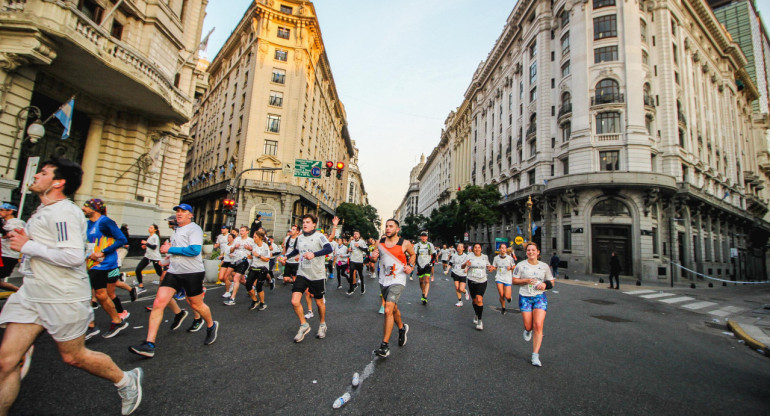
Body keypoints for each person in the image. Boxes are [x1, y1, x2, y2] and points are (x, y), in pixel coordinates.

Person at [0, 157, 142, 415]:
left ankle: (125, 380)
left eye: (42, 173)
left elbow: (73, 256)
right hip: (33, 292)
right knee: (6, 362)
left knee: (74, 356)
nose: (35, 176)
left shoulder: (65, 212)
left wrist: (27, 245)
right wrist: (24, 238)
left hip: (62, 294)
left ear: (58, 182)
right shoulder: (45, 210)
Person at [129, 204, 219, 358]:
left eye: (183, 211)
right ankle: (149, 344)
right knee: (158, 303)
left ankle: (211, 325)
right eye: (177, 211)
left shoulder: (194, 229)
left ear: (190, 215)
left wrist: (169, 249)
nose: (179, 214)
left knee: (196, 304)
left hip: (192, 273)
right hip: (174, 272)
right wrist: (166, 260)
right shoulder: (177, 231)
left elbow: (194, 251)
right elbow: (175, 251)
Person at [279, 214, 334, 342]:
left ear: (314, 224)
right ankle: (304, 325)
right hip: (302, 272)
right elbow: (296, 250)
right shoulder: (300, 237)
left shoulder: (319, 236)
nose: (305, 224)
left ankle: (322, 324)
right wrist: (287, 257)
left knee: (319, 302)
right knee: (294, 301)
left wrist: (314, 254)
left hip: (317, 274)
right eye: (303, 222)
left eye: (308, 222)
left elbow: (328, 248)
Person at [81, 199, 131, 339]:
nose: (83, 209)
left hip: (103, 264)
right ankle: (116, 321)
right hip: (91, 263)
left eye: (86, 206)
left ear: (95, 209)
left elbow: (122, 239)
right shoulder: (87, 224)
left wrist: (103, 251)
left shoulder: (105, 222)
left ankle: (91, 326)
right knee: (101, 295)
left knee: (88, 293)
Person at [370, 219, 414, 357]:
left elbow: (413, 255)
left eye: (391, 226)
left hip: (398, 279)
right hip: (384, 280)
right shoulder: (380, 243)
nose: (388, 229)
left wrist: (410, 267)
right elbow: (373, 260)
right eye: (386, 226)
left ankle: (385, 346)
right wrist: (372, 257)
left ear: (397, 229)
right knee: (393, 308)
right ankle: (401, 328)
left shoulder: (405, 243)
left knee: (388, 309)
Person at [512, 242, 555, 367]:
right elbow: (514, 281)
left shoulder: (544, 266)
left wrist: (545, 284)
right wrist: (525, 280)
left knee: (538, 325)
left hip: (539, 297)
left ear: (538, 252)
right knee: (528, 325)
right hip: (525, 297)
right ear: (526, 253)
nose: (531, 252)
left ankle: (535, 355)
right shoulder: (520, 265)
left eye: (533, 250)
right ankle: (527, 330)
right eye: (529, 250)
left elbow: (552, 281)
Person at [463, 243, 493, 330]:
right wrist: (465, 264)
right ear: (473, 249)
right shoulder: (469, 256)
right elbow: (463, 266)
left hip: (482, 280)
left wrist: (490, 268)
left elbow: (488, 266)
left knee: (479, 299)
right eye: (475, 247)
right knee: (474, 300)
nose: (477, 249)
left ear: (481, 249)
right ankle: (476, 314)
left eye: (478, 247)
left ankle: (480, 321)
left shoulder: (485, 257)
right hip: (472, 280)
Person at [223, 226, 254, 306]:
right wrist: (234, 248)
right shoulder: (237, 239)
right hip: (234, 260)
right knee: (226, 276)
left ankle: (232, 298)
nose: (241, 232)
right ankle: (250, 287)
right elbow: (231, 250)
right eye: (240, 231)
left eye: (243, 231)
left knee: (236, 278)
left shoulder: (250, 240)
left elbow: (255, 252)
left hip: (243, 261)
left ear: (247, 231)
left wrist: (250, 249)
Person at [0, 203, 24, 292]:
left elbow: (7, 235)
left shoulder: (17, 223)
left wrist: (5, 232)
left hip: (9, 255)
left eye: (2, 210)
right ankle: (20, 292)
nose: (0, 212)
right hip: (2, 254)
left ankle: (21, 292)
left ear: (10, 211)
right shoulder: (4, 222)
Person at [246, 229, 271, 310]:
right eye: (253, 236)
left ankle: (262, 303)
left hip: (263, 268)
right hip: (254, 267)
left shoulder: (265, 246)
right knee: (248, 285)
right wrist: (251, 257)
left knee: (258, 286)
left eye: (255, 237)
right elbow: (254, 255)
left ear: (260, 237)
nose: (254, 238)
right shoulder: (254, 245)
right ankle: (255, 300)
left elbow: (267, 259)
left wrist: (258, 256)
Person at [134, 224, 163, 295]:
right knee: (138, 269)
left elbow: (154, 247)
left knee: (160, 273)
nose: (149, 228)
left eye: (151, 228)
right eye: (149, 227)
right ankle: (141, 286)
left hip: (155, 257)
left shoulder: (155, 237)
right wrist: (145, 246)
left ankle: (169, 285)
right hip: (148, 257)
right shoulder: (150, 236)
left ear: (155, 230)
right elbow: (150, 246)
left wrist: (146, 243)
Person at [491, 244, 515, 315]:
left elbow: (514, 266)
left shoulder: (509, 258)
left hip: (507, 278)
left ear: (506, 249)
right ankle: (503, 308)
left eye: (505, 248)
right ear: (499, 249)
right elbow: (495, 267)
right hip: (499, 277)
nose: (503, 249)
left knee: (507, 296)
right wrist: (492, 268)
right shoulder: (496, 258)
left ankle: (509, 298)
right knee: (501, 294)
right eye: (502, 248)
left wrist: (510, 268)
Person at [413, 232, 435, 305]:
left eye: (425, 236)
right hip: (420, 265)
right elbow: (415, 256)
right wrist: (417, 264)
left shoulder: (430, 245)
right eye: (422, 236)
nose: (423, 238)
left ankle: (425, 296)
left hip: (427, 265)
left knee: (427, 280)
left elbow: (434, 254)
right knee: (421, 282)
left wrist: (430, 263)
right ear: (420, 237)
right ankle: (423, 292)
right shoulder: (417, 245)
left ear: (427, 238)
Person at [348, 230, 368, 294]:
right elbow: (350, 249)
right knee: (351, 274)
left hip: (359, 261)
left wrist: (359, 246)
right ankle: (351, 288)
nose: (355, 235)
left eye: (356, 234)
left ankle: (362, 287)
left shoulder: (362, 242)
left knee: (360, 274)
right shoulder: (352, 242)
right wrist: (349, 249)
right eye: (354, 234)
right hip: (352, 260)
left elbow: (366, 249)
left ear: (359, 235)